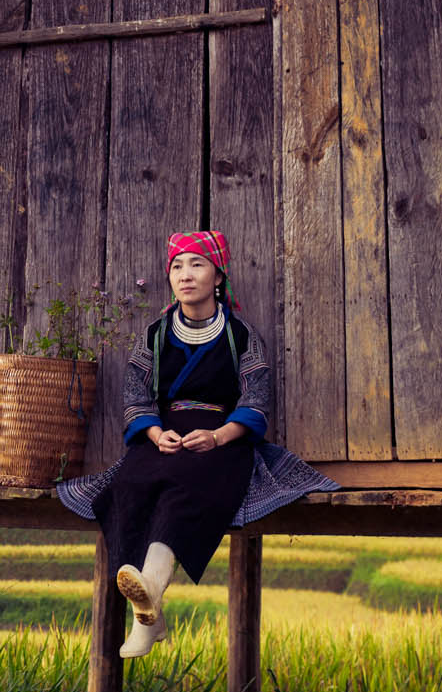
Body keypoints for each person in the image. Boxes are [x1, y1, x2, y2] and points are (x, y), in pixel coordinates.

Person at [55, 230, 338, 658]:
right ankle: (149, 609)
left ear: (218, 276)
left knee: (185, 485)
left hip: (222, 440)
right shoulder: (154, 334)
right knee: (129, 483)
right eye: (177, 266)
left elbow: (256, 397)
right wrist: (154, 433)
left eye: (197, 264)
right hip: (167, 434)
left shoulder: (240, 335)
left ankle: (149, 593)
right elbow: (135, 393)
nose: (185, 275)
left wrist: (219, 435)